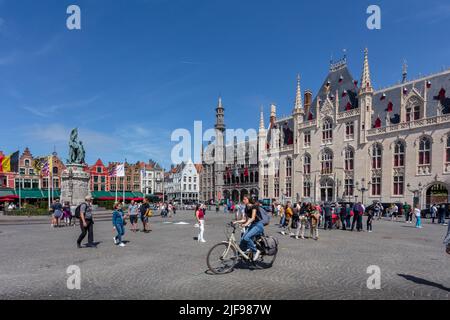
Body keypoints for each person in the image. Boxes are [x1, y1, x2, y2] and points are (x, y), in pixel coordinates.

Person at [233, 195, 264, 261]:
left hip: (258, 225)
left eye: (244, 199)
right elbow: (244, 219)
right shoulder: (246, 208)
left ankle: (256, 251)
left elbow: (252, 218)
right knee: (242, 240)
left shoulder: (254, 206)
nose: (243, 201)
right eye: (243, 199)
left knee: (247, 238)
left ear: (248, 199)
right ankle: (242, 254)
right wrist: (236, 221)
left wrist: (245, 224)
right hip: (252, 225)